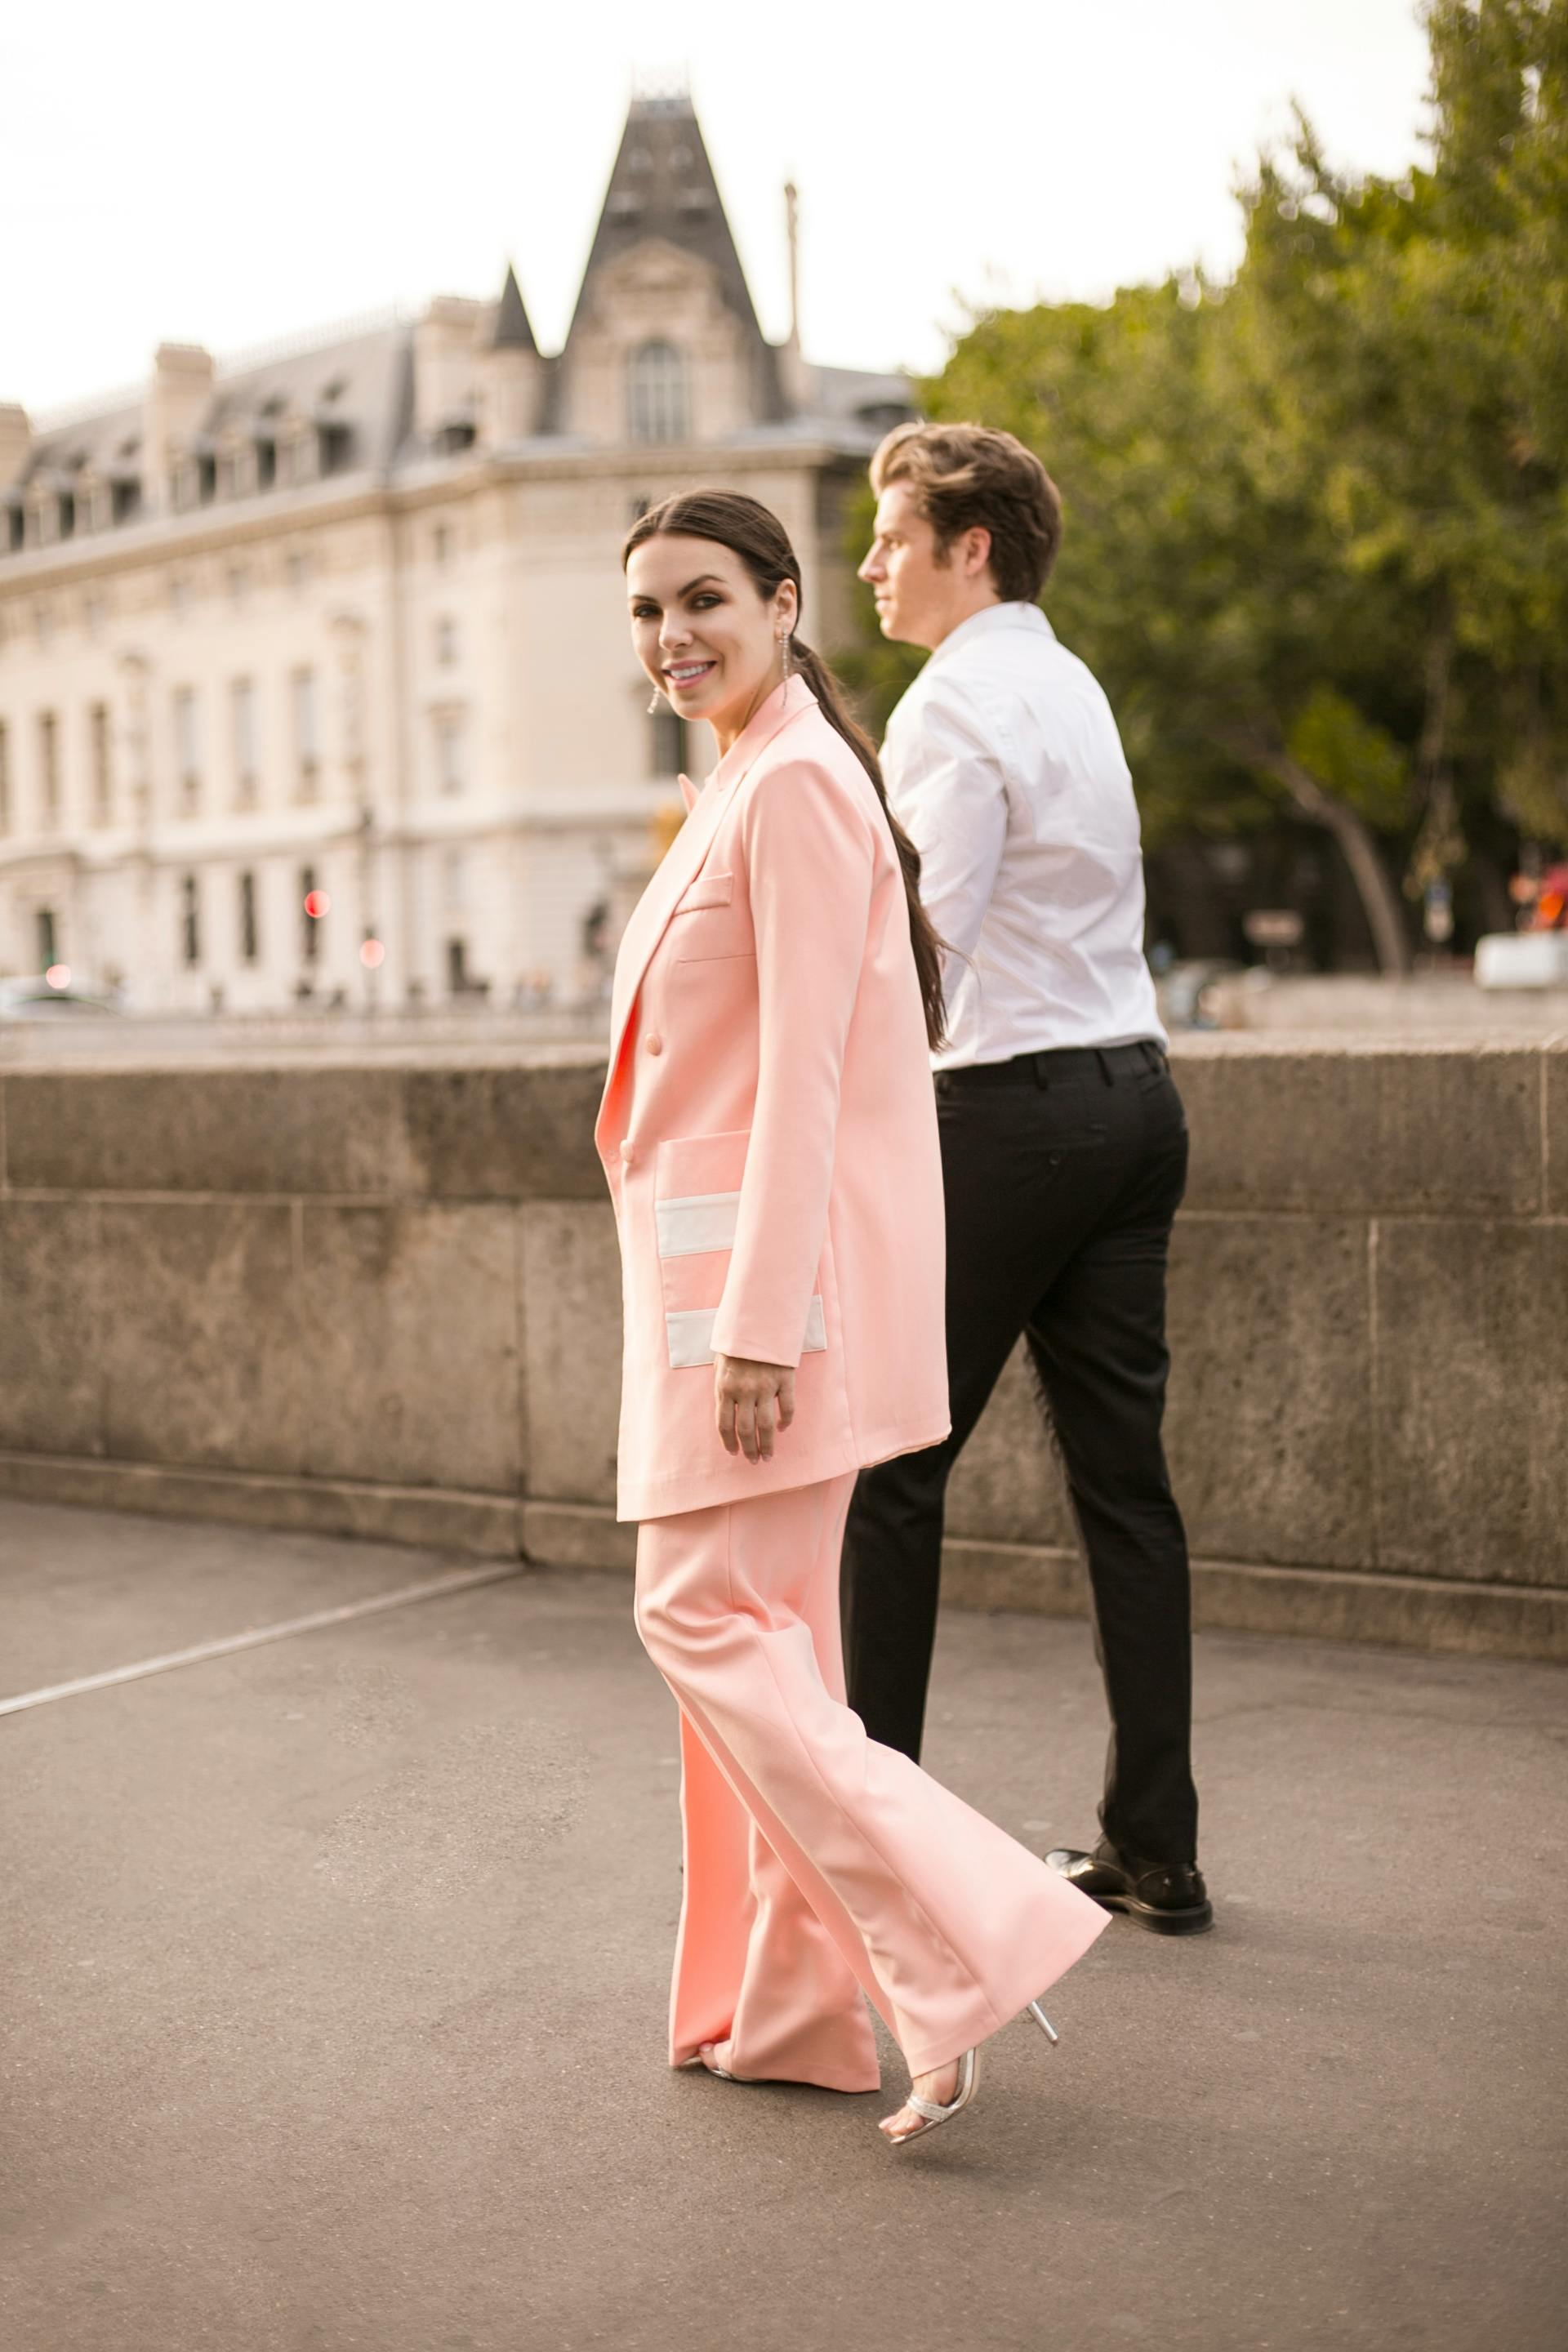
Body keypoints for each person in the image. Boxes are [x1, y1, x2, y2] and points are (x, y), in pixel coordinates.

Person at [598, 488, 1108, 2146]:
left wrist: (755, 1325)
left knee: (698, 1621)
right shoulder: (754, 773)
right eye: (647, 612)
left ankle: (962, 1949)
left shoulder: (801, 783)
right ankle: (797, 2008)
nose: (674, 636)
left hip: (757, 1308)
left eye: (704, 601)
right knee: (779, 1650)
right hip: (735, 1285)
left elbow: (814, 1068)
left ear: (784, 597)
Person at [840, 424, 1212, 1936]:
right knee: (1127, 1491)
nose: (870, 562)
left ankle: (879, 1861)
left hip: (1010, 1118)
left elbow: (919, 961)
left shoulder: (946, 709)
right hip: (1134, 1098)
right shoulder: (1069, 682)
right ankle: (1158, 1852)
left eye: (890, 535)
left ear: (967, 545)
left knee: (891, 1472)